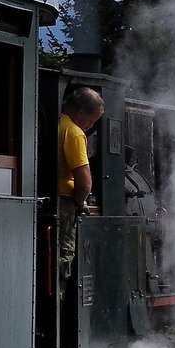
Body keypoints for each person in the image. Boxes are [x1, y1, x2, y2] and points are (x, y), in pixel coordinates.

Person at [58, 87, 105, 292]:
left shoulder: (55, 123)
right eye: (91, 120)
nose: (90, 126)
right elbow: (84, 182)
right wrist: (81, 202)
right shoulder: (74, 133)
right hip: (65, 205)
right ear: (80, 112)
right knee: (64, 257)